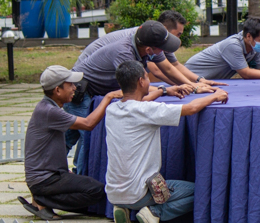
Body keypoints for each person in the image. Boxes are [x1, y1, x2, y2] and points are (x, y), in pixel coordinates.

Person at [105, 60, 229, 223]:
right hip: (138, 193)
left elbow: (138, 103)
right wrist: (216, 95)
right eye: (147, 78)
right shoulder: (147, 110)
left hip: (113, 192)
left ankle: (122, 210)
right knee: (200, 192)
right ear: (141, 81)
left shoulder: (112, 110)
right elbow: (191, 108)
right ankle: (153, 213)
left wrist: (163, 91)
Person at [66, 20, 196, 175]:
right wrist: (166, 90)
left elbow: (164, 69)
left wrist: (193, 85)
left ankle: (58, 174)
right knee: (86, 138)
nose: (164, 52)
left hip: (95, 91)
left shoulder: (141, 47)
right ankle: (79, 179)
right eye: (162, 48)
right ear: (149, 49)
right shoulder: (124, 53)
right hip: (81, 92)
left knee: (71, 136)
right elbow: (137, 87)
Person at [18, 66, 122, 220]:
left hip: (52, 175)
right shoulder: (49, 111)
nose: (75, 88)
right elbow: (88, 124)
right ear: (57, 90)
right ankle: (41, 199)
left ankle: (44, 199)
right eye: (70, 84)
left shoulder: (50, 108)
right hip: (45, 180)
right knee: (96, 191)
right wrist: (108, 98)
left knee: (92, 193)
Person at [78, 11, 223, 88]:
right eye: (178, 34)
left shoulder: (155, 40)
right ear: (164, 30)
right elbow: (158, 71)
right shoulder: (142, 42)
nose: (179, 39)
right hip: (85, 79)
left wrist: (198, 81)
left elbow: (173, 66)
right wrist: (189, 87)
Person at [185, 17, 260, 80]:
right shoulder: (232, 45)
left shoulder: (254, 46)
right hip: (189, 78)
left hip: (207, 82)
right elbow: (245, 73)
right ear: (249, 36)